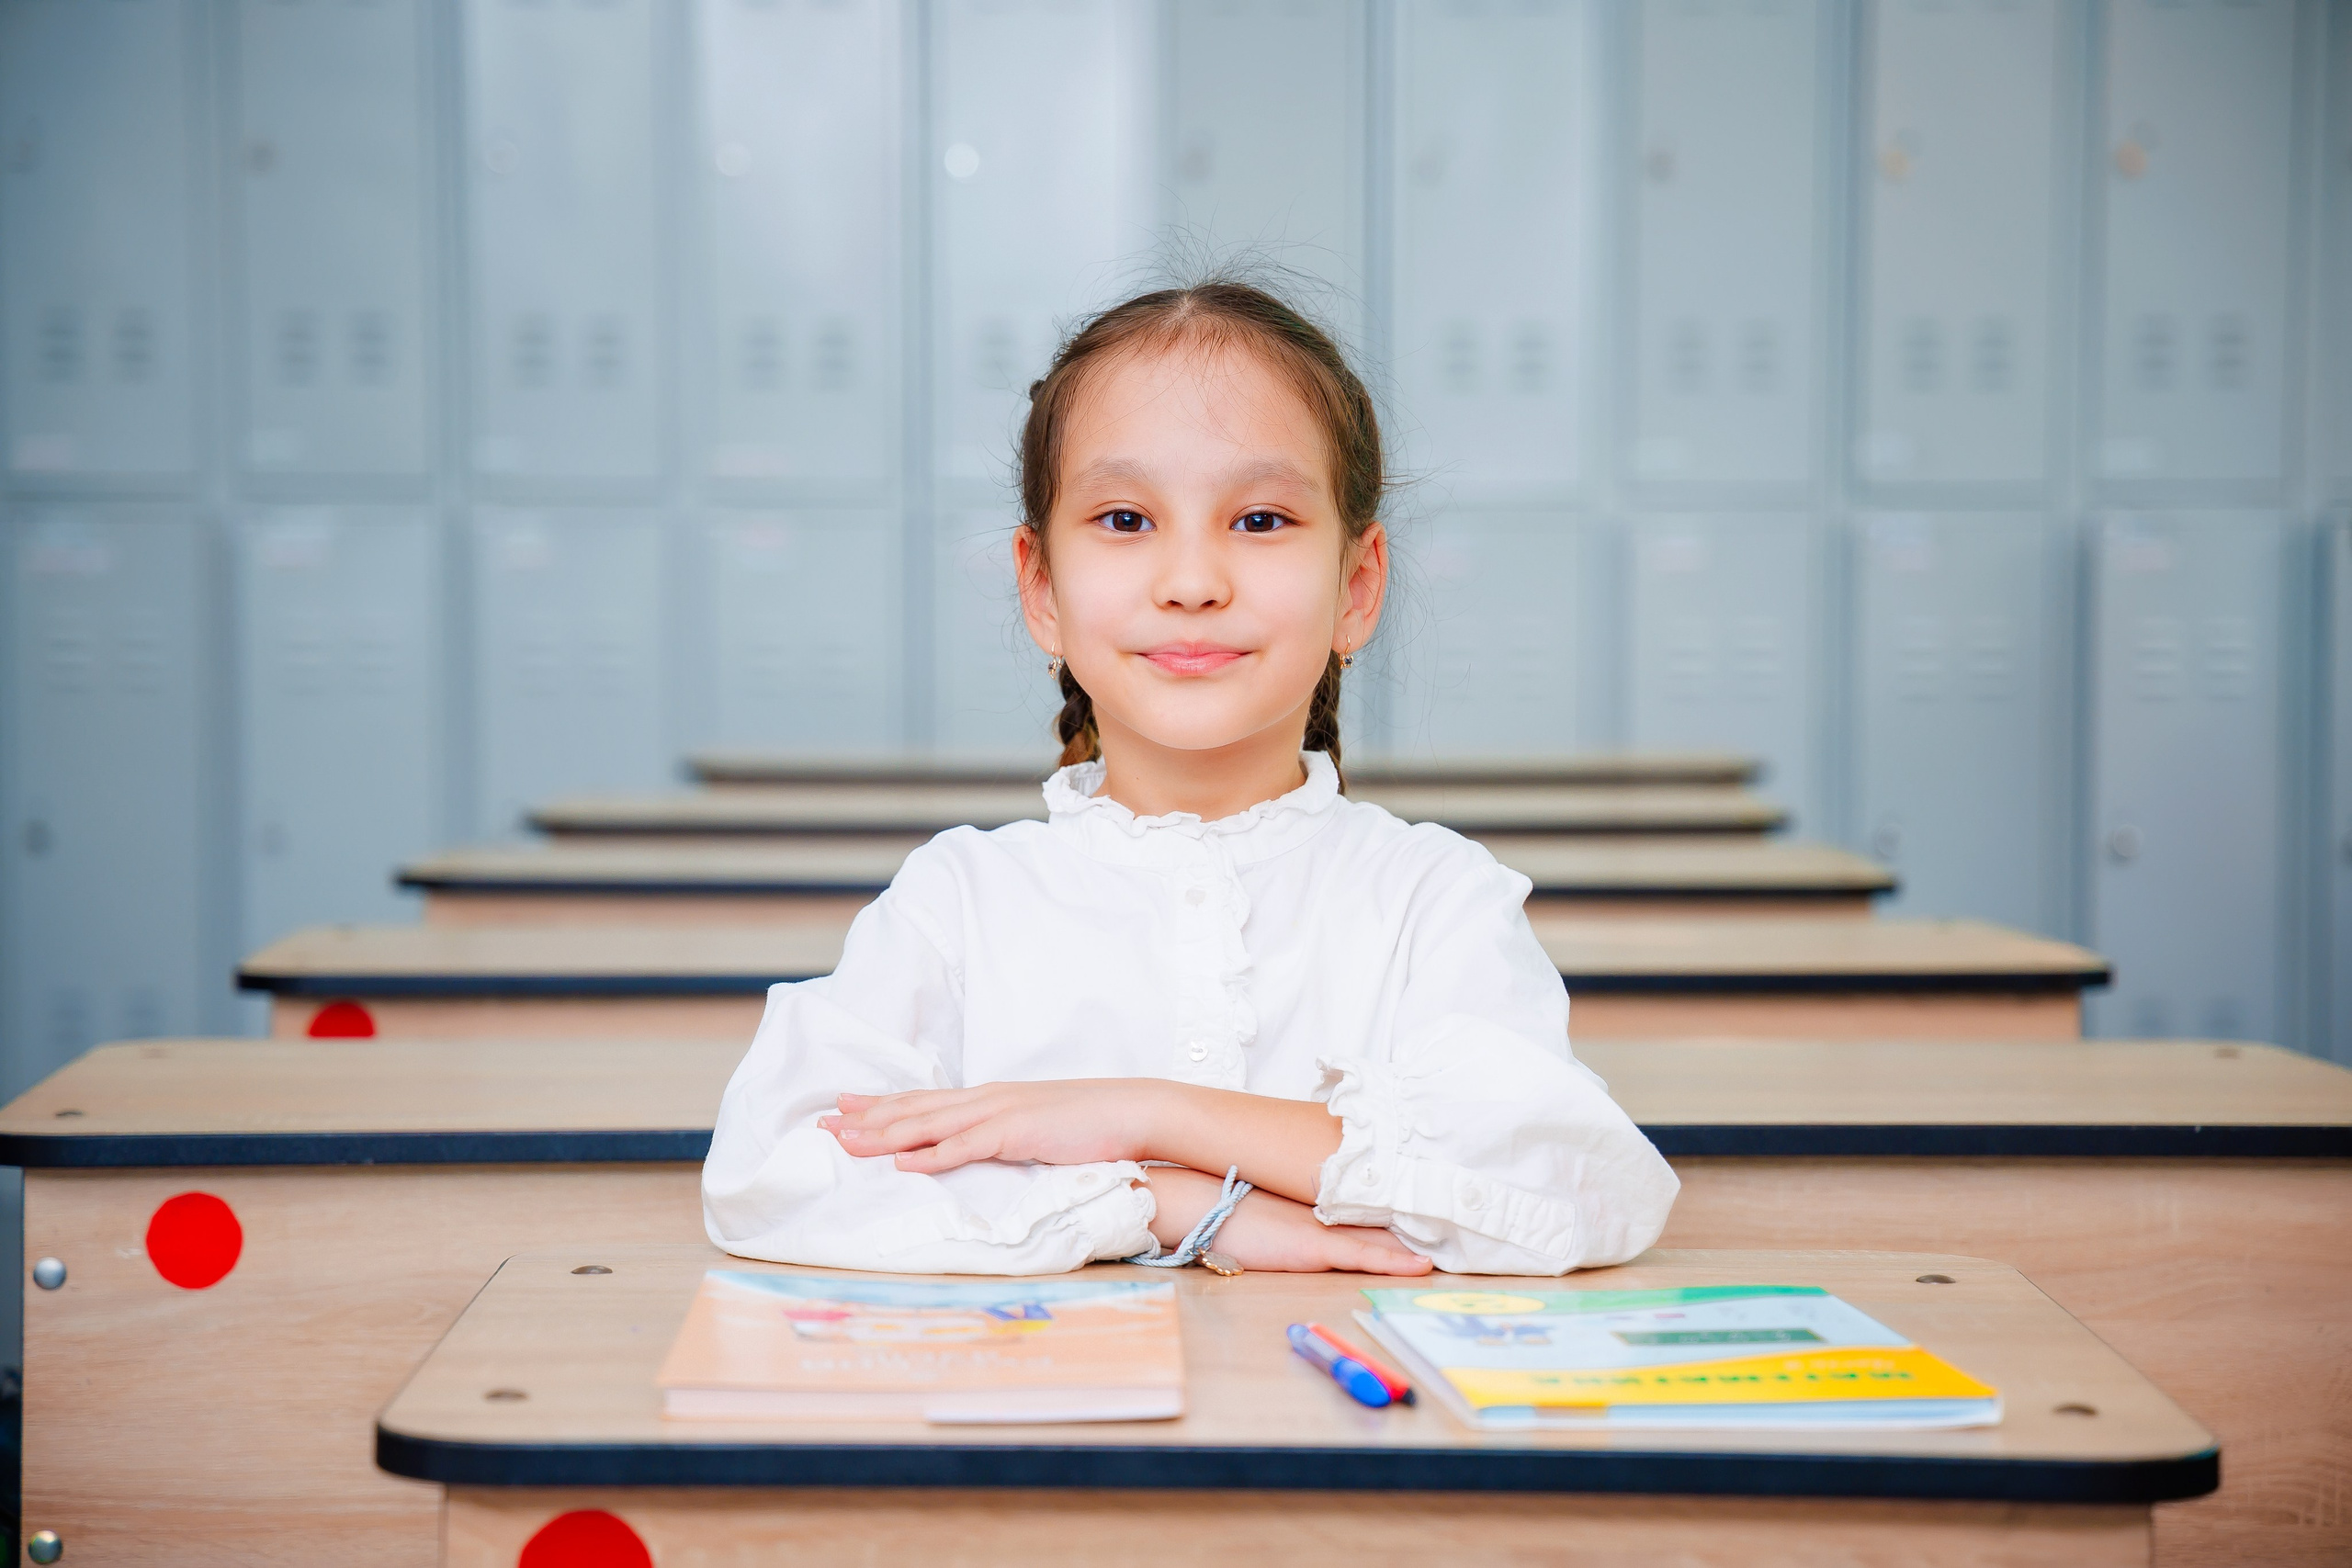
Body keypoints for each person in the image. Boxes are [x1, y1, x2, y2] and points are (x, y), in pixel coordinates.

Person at [703, 276, 1678, 1276]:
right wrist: (1167, 1201)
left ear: (1357, 586)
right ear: (1041, 588)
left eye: (1260, 520)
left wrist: (1146, 1113)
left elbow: (1570, 1189)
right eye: (1126, 519)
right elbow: (775, 1174)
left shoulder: (1433, 899)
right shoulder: (958, 903)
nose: (1192, 582)